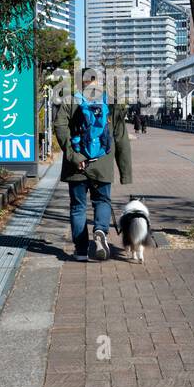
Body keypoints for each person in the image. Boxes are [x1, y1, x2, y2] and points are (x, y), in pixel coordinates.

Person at [54, 69, 132, 262]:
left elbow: (60, 128)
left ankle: (80, 251)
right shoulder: (111, 103)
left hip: (77, 166)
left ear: (80, 83)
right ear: (98, 82)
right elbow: (121, 139)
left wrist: (74, 156)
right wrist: (125, 173)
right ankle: (100, 231)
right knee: (102, 202)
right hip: (103, 165)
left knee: (78, 207)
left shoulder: (70, 102)